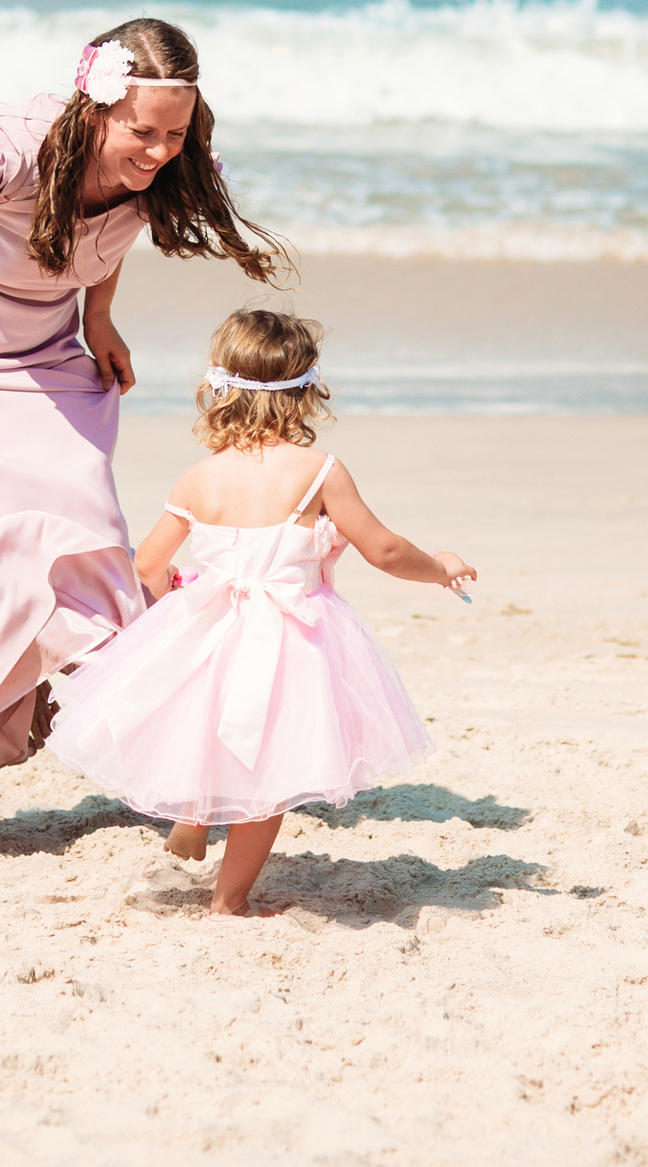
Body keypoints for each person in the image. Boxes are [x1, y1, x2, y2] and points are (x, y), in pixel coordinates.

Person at [0, 21, 285, 853]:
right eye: (140, 130)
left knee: (86, 542)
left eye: (173, 135)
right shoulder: (6, 152)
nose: (155, 151)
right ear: (96, 105)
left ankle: (145, 753)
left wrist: (98, 317)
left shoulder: (161, 168)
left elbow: (114, 229)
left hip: (40, 361)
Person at [46, 309, 477, 915]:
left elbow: (147, 564)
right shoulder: (318, 470)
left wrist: (181, 596)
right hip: (290, 634)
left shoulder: (201, 476)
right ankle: (229, 901)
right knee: (270, 765)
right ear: (305, 388)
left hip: (210, 624)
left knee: (205, 720)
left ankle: (193, 816)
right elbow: (382, 548)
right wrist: (440, 566)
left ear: (218, 387)